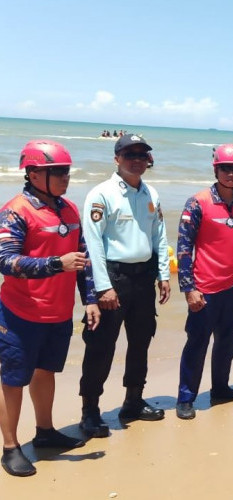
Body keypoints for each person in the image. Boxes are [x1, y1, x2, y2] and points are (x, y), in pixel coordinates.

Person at [0, 140, 100, 477]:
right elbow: (5, 260)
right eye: (56, 172)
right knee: (13, 380)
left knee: (46, 372)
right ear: (32, 174)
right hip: (20, 312)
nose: (64, 177)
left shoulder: (70, 210)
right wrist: (55, 264)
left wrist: (89, 299)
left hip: (58, 312)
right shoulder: (16, 210)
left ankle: (45, 432)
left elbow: (82, 260)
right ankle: (10, 446)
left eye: (66, 171)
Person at [78, 134, 171, 437]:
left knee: (141, 340)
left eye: (143, 155)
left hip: (143, 278)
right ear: (117, 158)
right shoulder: (101, 194)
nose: (137, 160)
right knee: (101, 346)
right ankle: (90, 410)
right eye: (130, 154)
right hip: (113, 278)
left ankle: (133, 400)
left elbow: (159, 235)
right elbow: (92, 244)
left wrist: (163, 274)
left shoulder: (151, 193)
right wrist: (103, 288)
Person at [174, 145, 233, 420]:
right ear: (216, 170)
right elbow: (183, 248)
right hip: (205, 288)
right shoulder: (197, 202)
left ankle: (220, 388)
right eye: (225, 169)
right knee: (197, 343)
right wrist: (188, 288)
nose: (231, 174)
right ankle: (186, 398)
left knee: (227, 342)